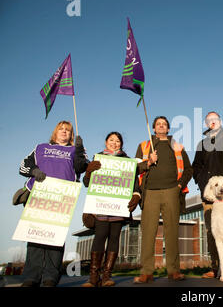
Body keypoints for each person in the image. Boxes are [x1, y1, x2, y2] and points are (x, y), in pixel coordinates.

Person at [19, 120, 88, 287]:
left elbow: (81, 168)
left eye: (68, 130)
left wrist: (78, 149)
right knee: (35, 237)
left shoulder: (75, 150)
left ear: (71, 134)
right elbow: (23, 166)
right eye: (61, 129)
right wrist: (34, 171)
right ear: (55, 132)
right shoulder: (41, 147)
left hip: (62, 198)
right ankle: (31, 277)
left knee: (55, 239)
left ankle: (50, 276)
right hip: (39, 195)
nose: (64, 132)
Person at [133, 116, 193, 283]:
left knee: (172, 232)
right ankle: (146, 272)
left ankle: (174, 271)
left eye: (164, 124)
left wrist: (180, 186)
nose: (161, 126)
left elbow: (189, 169)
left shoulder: (177, 146)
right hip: (150, 192)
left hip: (172, 191)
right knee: (148, 233)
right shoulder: (144, 146)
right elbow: (135, 168)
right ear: (153, 128)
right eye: (158, 124)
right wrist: (148, 162)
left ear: (167, 129)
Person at [81, 132, 141, 287]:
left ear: (121, 144)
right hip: (100, 206)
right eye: (111, 140)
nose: (114, 143)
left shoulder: (127, 161)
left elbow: (134, 181)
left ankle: (107, 275)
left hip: (119, 206)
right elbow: (87, 183)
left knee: (114, 238)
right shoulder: (98, 158)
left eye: (117, 141)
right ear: (106, 142)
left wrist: (136, 194)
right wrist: (88, 172)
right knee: (99, 236)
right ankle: (93, 277)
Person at [192, 111, 223, 279]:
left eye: (215, 119)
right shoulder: (202, 144)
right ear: (206, 124)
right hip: (210, 195)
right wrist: (202, 182)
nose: (212, 122)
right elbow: (195, 166)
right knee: (213, 231)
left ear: (220, 121)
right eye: (208, 120)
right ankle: (216, 266)